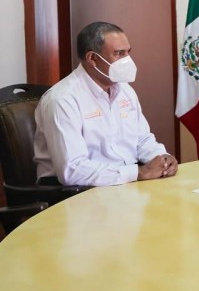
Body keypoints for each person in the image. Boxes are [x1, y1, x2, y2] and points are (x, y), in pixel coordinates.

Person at [34, 21, 178, 186]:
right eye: (118, 54)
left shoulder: (125, 90)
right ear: (92, 58)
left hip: (124, 182)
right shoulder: (62, 100)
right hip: (75, 192)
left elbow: (142, 140)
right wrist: (139, 173)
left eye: (128, 52)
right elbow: (73, 170)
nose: (127, 60)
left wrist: (162, 159)